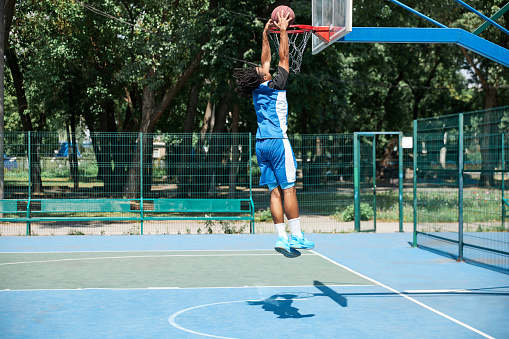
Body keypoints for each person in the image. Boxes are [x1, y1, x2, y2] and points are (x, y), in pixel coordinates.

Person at [234, 11, 314, 258]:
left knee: (274, 191)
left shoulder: (258, 89)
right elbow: (284, 55)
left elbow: (266, 58)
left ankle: (281, 237)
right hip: (279, 143)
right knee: (289, 188)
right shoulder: (277, 85)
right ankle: (297, 235)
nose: (261, 67)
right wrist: (282, 30)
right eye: (261, 69)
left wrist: (264, 34)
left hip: (261, 145)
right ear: (265, 76)